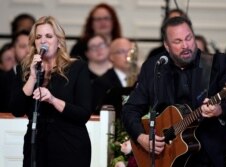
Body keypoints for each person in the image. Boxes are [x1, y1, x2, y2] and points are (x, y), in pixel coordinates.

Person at [122, 16, 226, 167]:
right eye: (177, 41)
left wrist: (219, 110)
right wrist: (141, 137)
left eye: (189, 38)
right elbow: (130, 109)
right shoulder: (154, 67)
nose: (186, 45)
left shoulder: (218, 64)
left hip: (215, 153)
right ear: (166, 45)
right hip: (169, 157)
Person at [9, 16, 92, 167]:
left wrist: (53, 100)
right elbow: (16, 109)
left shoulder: (76, 68)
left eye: (49, 36)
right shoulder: (25, 69)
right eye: (38, 37)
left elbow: (83, 113)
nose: (43, 41)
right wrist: (33, 77)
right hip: (36, 144)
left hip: (69, 145)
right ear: (34, 42)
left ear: (59, 41)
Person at [92, 38, 134, 117]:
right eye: (121, 52)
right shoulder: (101, 83)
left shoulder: (141, 79)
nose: (127, 55)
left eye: (130, 51)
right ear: (111, 56)